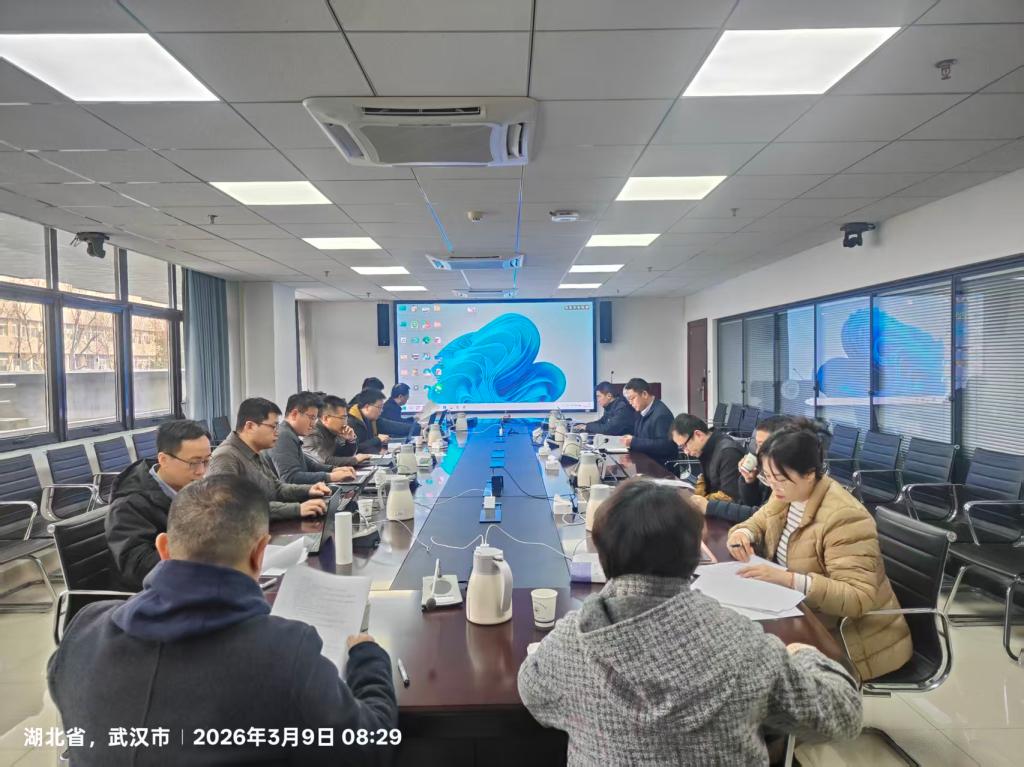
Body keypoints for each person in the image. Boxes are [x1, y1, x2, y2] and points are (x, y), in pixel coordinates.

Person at [50, 475, 397, 766]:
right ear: (259, 553)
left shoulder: (83, 630)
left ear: (164, 549)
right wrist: (368, 658)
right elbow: (370, 745)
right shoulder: (286, 651)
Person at [518, 479, 862, 766]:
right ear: (693, 555)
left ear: (601, 550)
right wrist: (805, 654)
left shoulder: (572, 641)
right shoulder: (744, 644)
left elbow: (532, 692)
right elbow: (843, 716)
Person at [727, 424, 913, 681]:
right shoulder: (786, 494)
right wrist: (742, 534)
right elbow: (758, 522)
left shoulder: (844, 517)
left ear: (809, 474)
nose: (772, 485)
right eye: (767, 476)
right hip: (802, 611)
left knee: (753, 669)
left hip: (853, 639)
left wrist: (788, 579)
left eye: (779, 478)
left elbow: (858, 598)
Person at [105, 420, 211, 591]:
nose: (201, 471)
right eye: (194, 463)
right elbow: (137, 567)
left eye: (206, 461)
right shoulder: (129, 504)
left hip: (193, 581)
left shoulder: (192, 486)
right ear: (164, 460)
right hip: (151, 594)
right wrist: (204, 550)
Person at [207, 397, 330, 520]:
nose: (277, 432)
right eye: (273, 427)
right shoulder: (225, 457)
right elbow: (232, 507)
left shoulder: (255, 451)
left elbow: (277, 488)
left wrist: (309, 490)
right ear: (250, 426)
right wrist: (297, 509)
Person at [700, 414, 796, 522]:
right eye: (757, 445)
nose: (757, 452)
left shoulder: (789, 478)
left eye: (762, 445)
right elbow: (752, 504)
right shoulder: (767, 469)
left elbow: (762, 515)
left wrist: (709, 506)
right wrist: (749, 482)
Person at [270, 391, 358, 484]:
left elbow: (310, 465)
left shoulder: (290, 434)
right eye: (311, 418)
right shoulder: (283, 435)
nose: (313, 424)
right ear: (294, 414)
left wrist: (334, 469)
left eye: (315, 419)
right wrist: (331, 476)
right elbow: (290, 477)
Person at [670, 413, 744, 502]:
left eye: (684, 445)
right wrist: (697, 494)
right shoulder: (705, 449)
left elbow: (729, 497)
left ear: (698, 434)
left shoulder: (728, 452)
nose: (685, 451)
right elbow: (706, 477)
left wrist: (697, 501)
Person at [304, 395, 373, 467]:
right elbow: (323, 461)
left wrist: (350, 440)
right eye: (342, 418)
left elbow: (344, 456)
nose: (346, 422)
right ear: (326, 418)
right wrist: (355, 459)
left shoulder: (334, 430)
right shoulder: (312, 432)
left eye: (346, 417)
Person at [620, 377, 677, 463]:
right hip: (644, 462)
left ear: (644, 394)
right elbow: (642, 438)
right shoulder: (641, 410)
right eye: (629, 400)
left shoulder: (661, 414)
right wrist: (630, 440)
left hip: (660, 467)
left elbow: (666, 446)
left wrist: (634, 442)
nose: (630, 403)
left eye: (633, 398)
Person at [348, 389, 390, 453]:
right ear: (367, 407)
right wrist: (377, 439)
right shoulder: (351, 422)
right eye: (379, 407)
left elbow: (367, 444)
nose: (381, 411)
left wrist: (381, 447)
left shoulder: (368, 419)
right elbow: (355, 448)